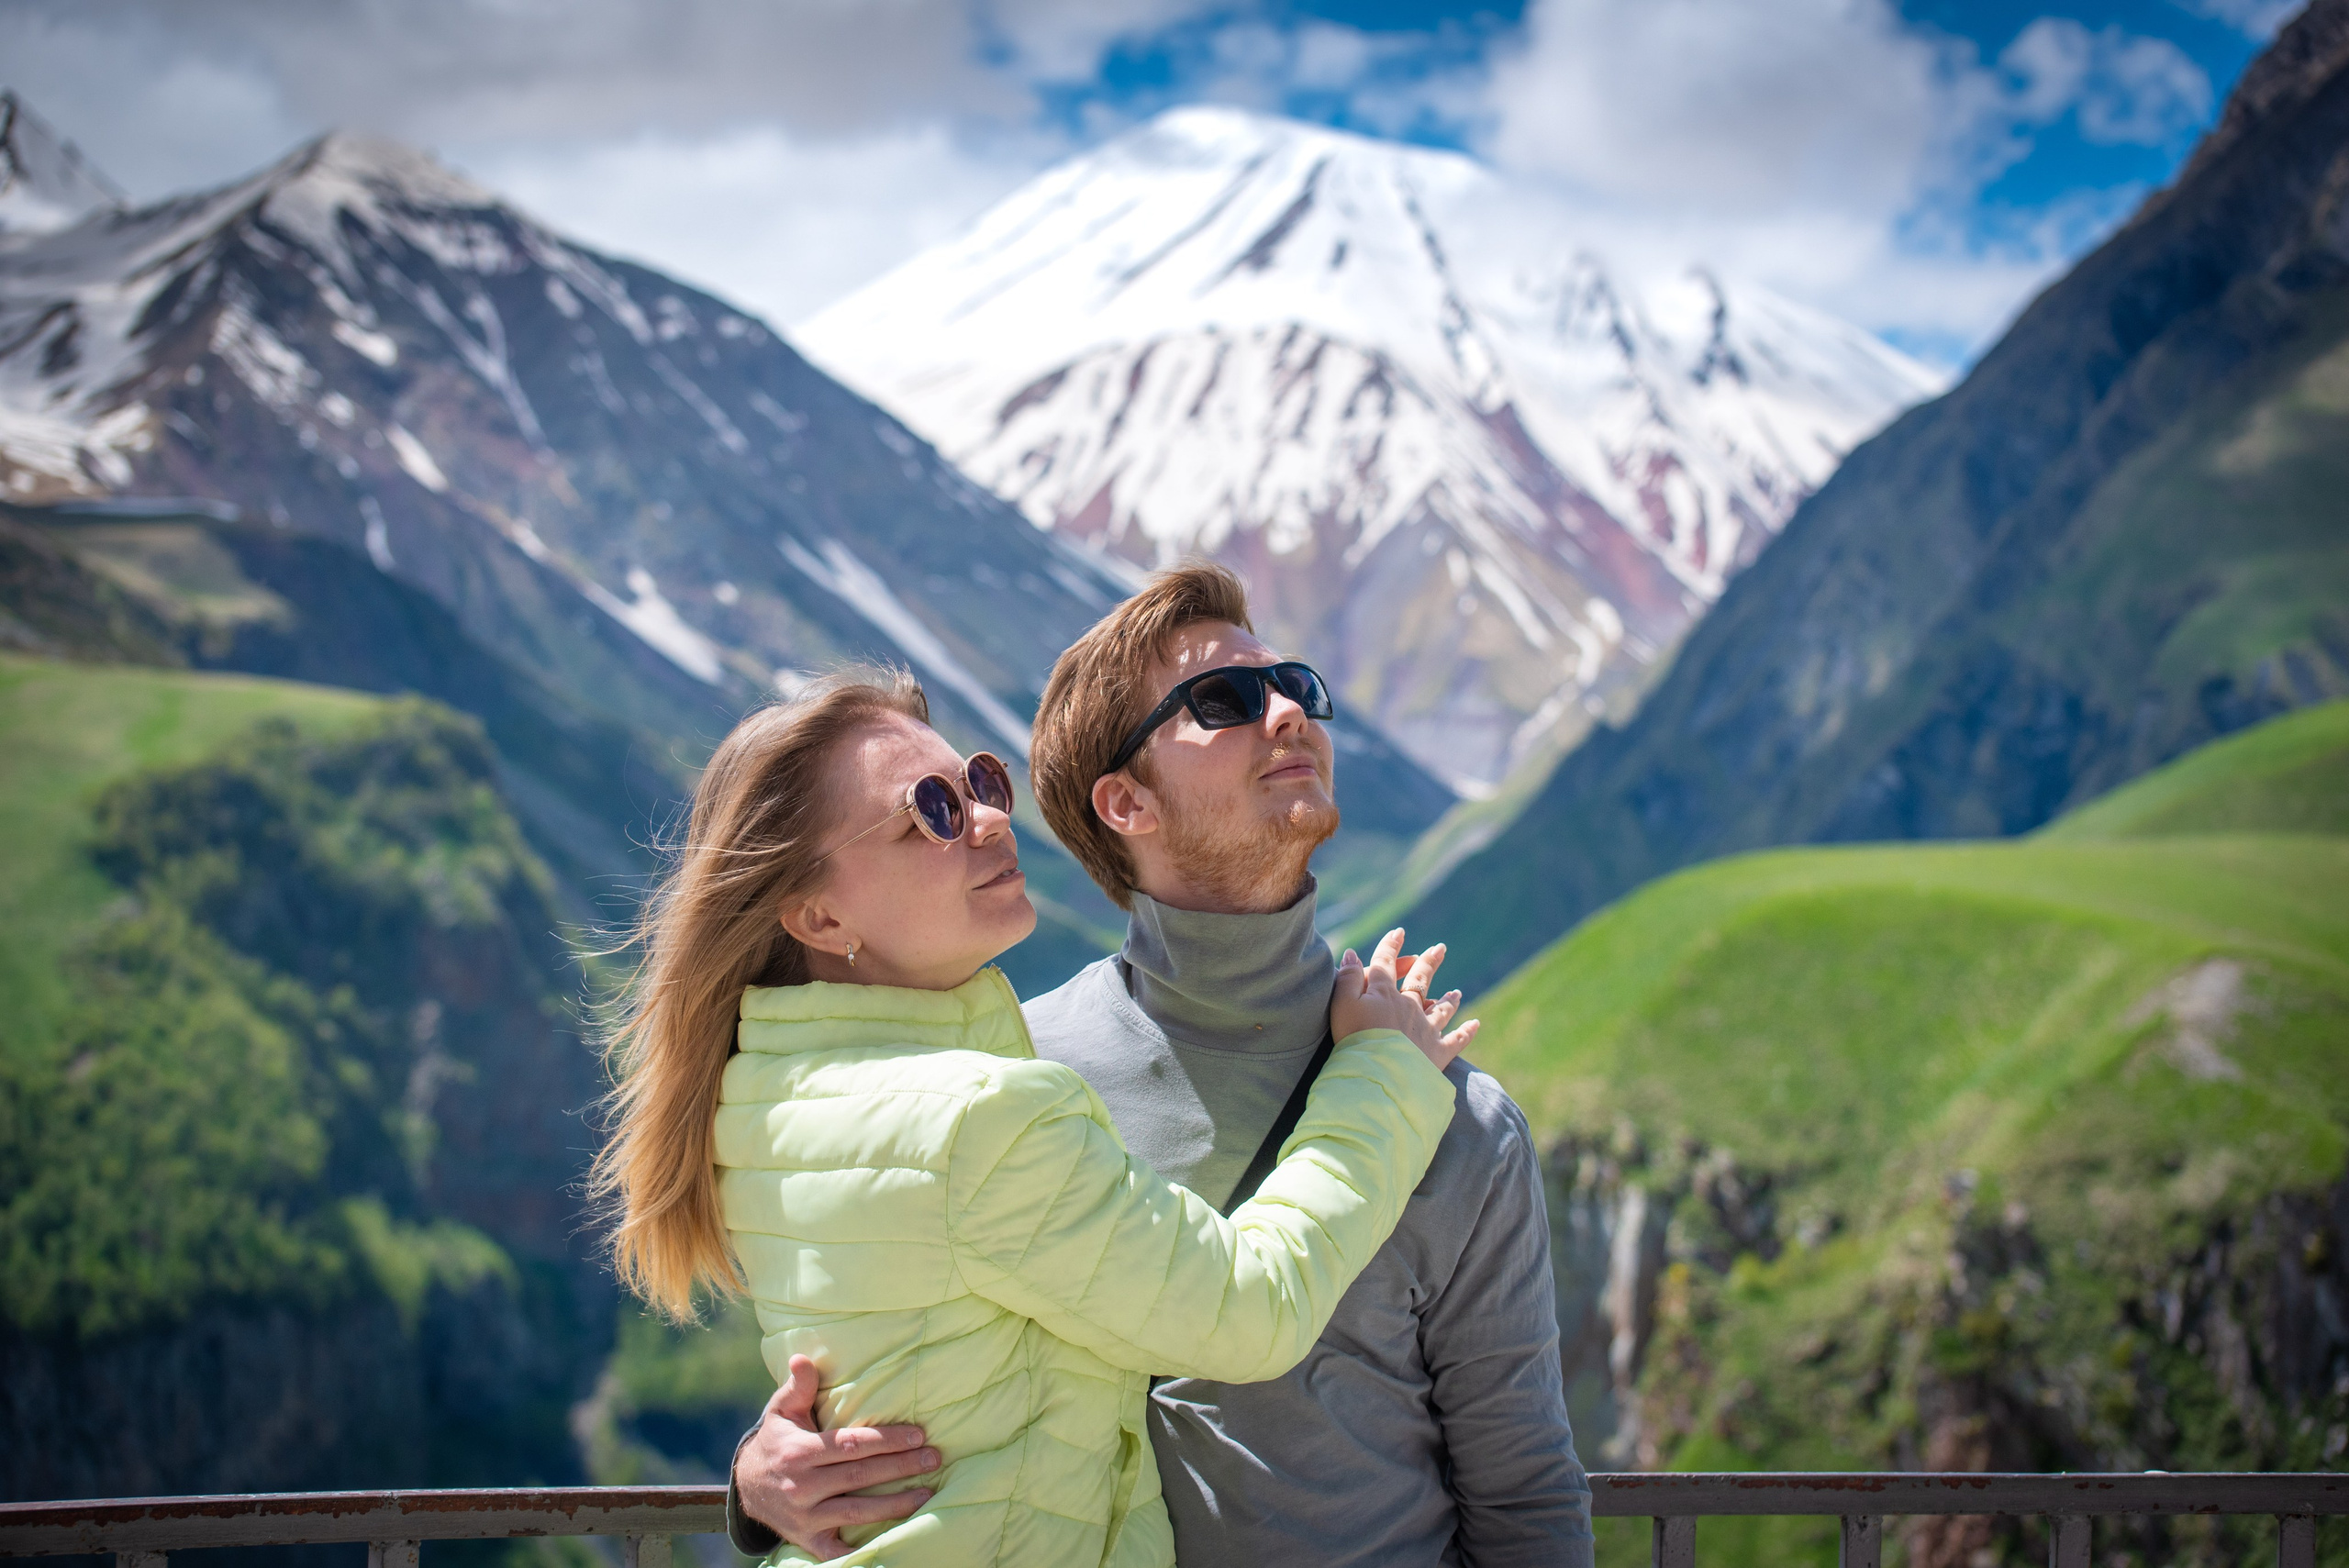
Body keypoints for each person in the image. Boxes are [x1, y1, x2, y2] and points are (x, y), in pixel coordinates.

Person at [731, 566, 1594, 1565]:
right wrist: (762, 1472)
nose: (1286, 713)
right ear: (1123, 801)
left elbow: (1525, 1492)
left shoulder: (1459, 1116)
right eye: (1223, 701)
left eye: (1297, 686)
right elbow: (891, 1334)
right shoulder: (1007, 1080)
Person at [590, 664, 1480, 1568]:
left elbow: (900, 1353)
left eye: (979, 780)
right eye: (930, 809)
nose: (987, 817)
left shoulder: (761, 1098)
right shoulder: (982, 1116)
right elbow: (1249, 1309)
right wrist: (1385, 1070)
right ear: (819, 914)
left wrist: (750, 1481)